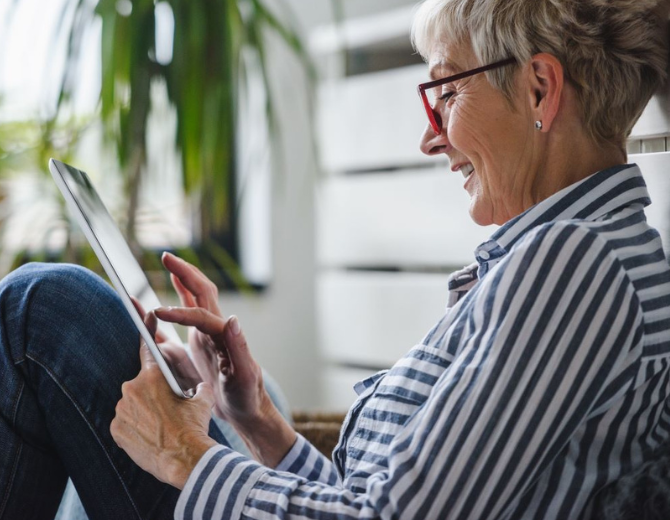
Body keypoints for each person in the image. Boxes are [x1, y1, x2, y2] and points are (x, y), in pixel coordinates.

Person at [2, 0, 670, 518]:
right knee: (253, 394)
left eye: (447, 92)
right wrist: (253, 417)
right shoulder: (569, 255)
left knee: (47, 304)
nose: (428, 138)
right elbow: (387, 497)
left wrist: (186, 454)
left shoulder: (576, 266)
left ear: (538, 90)